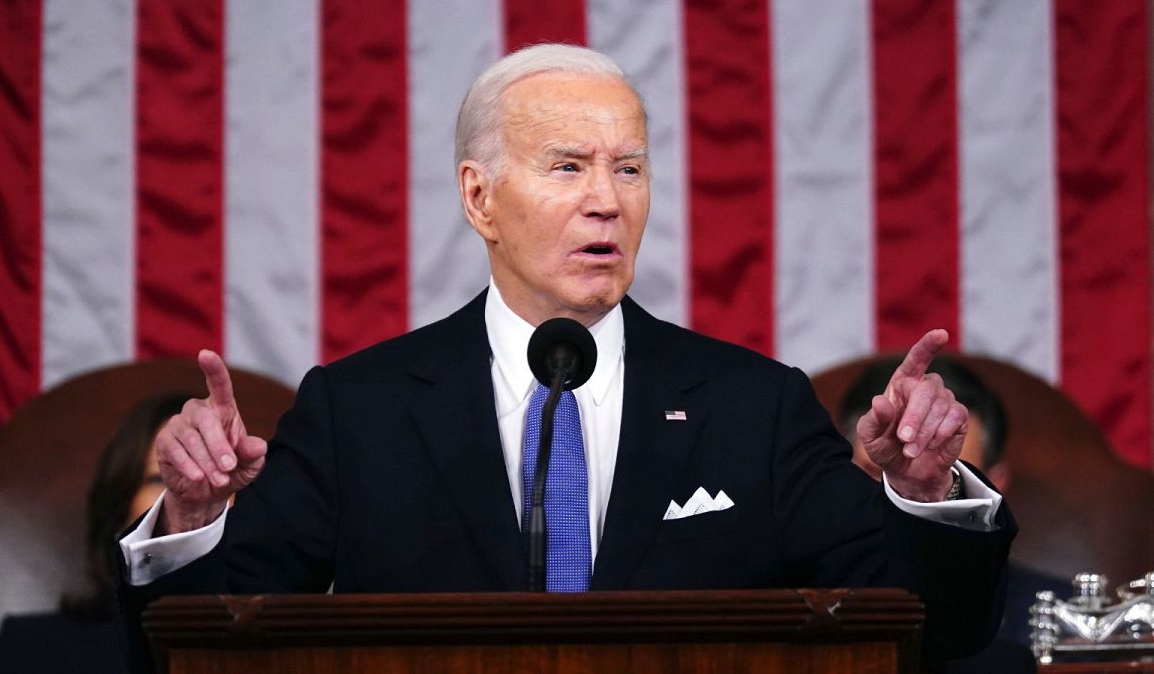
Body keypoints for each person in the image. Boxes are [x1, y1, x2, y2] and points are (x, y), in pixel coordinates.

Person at [116, 44, 1015, 669]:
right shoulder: (359, 409)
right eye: (566, 166)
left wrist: (926, 496)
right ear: (479, 197)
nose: (606, 201)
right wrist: (192, 515)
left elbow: (932, 632)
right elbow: (202, 646)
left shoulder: (753, 404)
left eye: (629, 169)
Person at [841, 356, 1069, 672]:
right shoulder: (790, 603)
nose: (902, 497)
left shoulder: (1064, 619)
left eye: (939, 477)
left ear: (993, 486)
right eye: (880, 471)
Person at [0, 393, 189, 673]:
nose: (194, 493)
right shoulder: (31, 649)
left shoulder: (267, 646)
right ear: (119, 512)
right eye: (162, 478)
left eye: (213, 475)